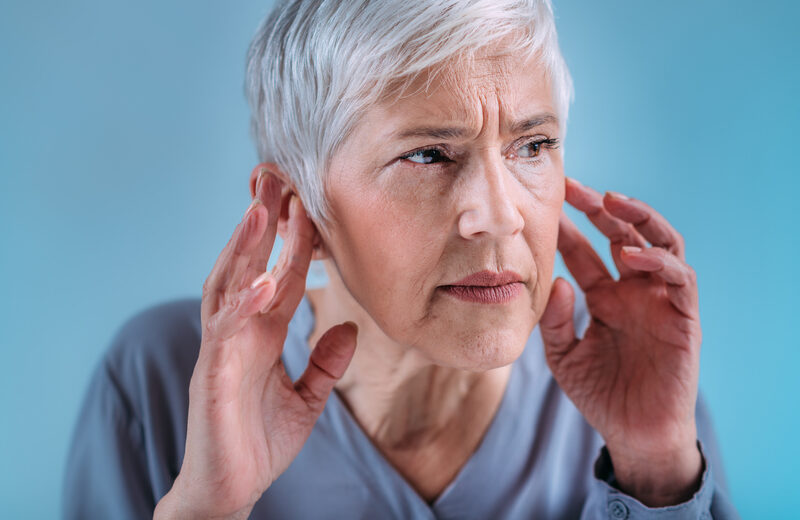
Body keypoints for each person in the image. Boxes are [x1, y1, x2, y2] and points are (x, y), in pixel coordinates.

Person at [62, 0, 742, 518]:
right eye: (428, 155)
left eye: (533, 146)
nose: (501, 215)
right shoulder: (164, 378)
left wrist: (655, 472)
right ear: (301, 213)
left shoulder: (630, 378)